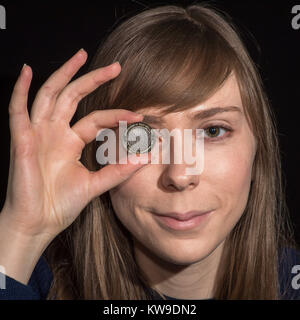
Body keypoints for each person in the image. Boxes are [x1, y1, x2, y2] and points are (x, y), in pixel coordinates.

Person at [0, 2, 299, 300]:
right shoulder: (29, 281)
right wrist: (22, 232)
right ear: (98, 154)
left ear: (258, 145)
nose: (180, 175)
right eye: (141, 137)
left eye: (212, 131)